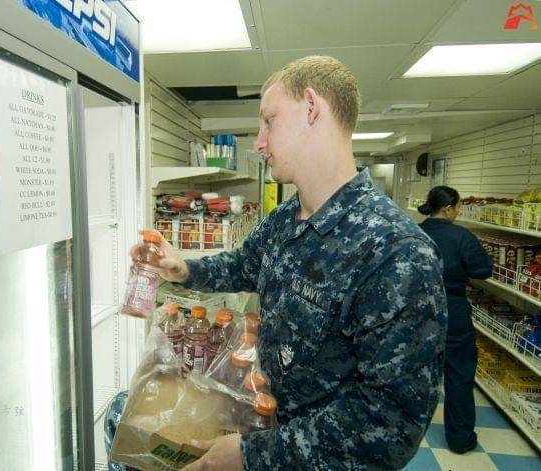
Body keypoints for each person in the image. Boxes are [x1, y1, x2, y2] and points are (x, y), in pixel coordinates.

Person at [105, 56, 447, 470]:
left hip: (300, 458)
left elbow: (392, 424)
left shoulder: (396, 251)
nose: (259, 142)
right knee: (122, 415)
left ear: (310, 107)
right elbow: (243, 266)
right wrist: (183, 269)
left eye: (269, 121)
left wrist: (251, 456)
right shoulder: (286, 218)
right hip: (260, 421)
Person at [418, 186, 493, 453]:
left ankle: (404, 431)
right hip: (452, 308)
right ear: (448, 208)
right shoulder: (461, 236)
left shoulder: (414, 231)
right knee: (459, 373)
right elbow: (483, 270)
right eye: (459, 206)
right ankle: (460, 438)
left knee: (413, 371)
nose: (459, 211)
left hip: (418, 310)